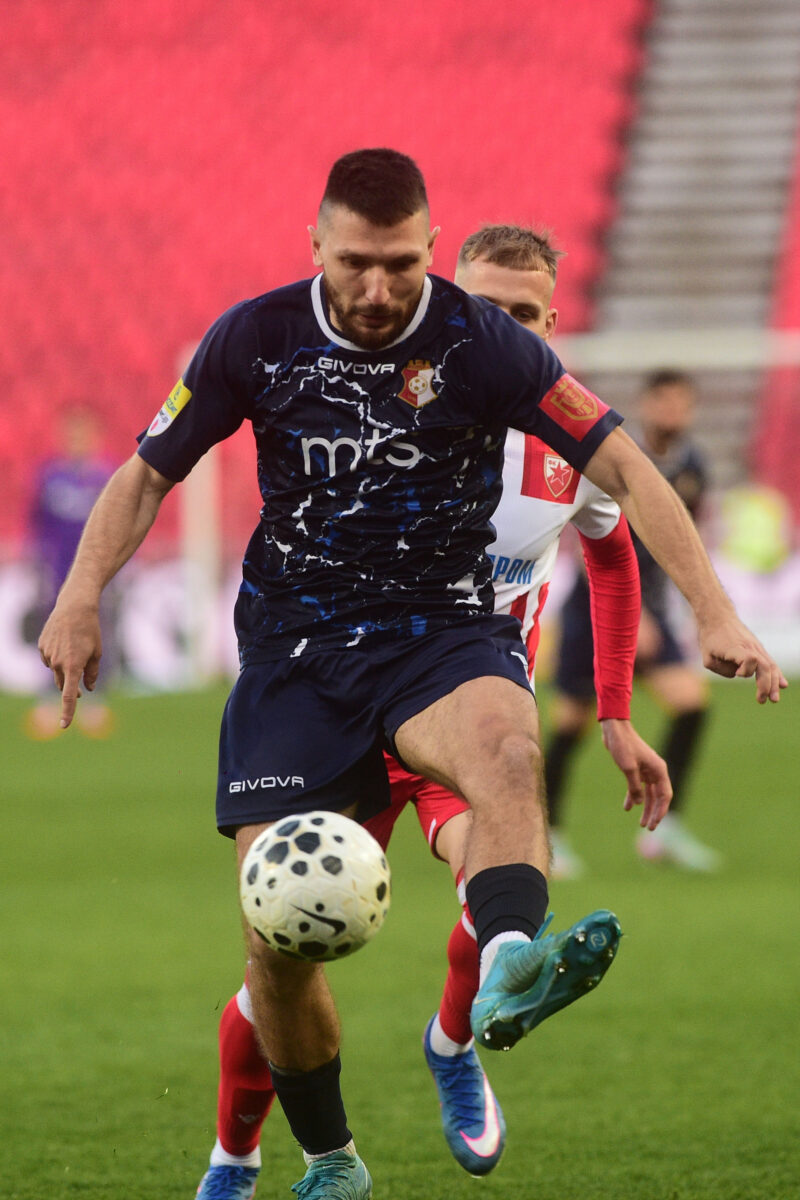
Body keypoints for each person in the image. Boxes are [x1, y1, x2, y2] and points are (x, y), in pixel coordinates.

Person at [38, 150, 785, 1200]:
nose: (380, 289)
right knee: (275, 942)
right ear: (316, 247)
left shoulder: (483, 345)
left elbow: (624, 469)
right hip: (297, 657)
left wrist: (710, 613)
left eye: (399, 264)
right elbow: (148, 472)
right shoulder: (254, 337)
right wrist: (78, 595)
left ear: (429, 251)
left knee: (505, 750)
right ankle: (325, 1158)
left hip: (439, 634)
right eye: (355, 264)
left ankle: (505, 963)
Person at [194, 223, 671, 1195]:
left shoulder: (564, 440)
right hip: (342, 695)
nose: (498, 326)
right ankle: (236, 1154)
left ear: (549, 323)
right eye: (483, 306)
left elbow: (613, 557)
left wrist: (615, 711)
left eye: (523, 314)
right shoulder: (396, 410)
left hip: (465, 705)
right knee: (277, 933)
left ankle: (455, 1043)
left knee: (487, 871)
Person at [545, 369, 720, 875]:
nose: (672, 413)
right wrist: (635, 611)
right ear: (647, 406)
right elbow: (602, 539)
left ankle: (665, 830)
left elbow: (678, 540)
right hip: (597, 607)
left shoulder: (692, 466)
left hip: (652, 613)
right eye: (663, 402)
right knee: (572, 725)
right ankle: (548, 835)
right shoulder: (620, 458)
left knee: (690, 704)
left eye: (681, 404)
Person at [24, 407, 116, 740]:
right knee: (51, 632)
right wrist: (38, 562)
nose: (77, 442)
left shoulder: (106, 478)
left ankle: (94, 698)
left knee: (97, 631)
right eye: (72, 435)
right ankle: (49, 697)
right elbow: (37, 525)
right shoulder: (49, 476)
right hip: (57, 571)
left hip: (93, 572)